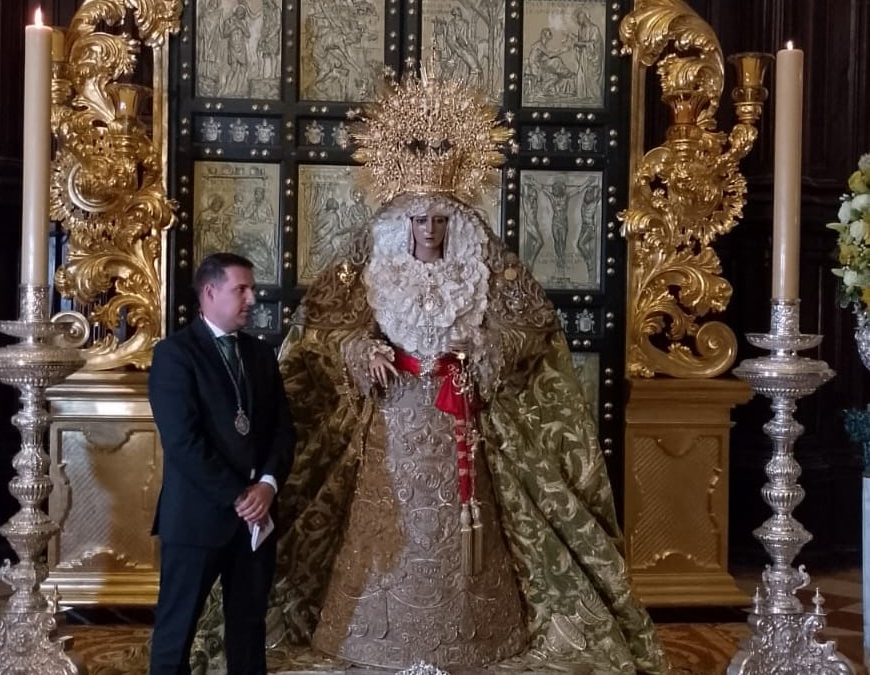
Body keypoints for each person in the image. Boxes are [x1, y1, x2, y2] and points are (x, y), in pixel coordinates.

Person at [186, 67, 667, 675]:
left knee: (466, 519)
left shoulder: (484, 265)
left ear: (454, 223)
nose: (430, 231)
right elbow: (325, 329)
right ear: (402, 224)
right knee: (387, 518)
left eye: (440, 220)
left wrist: (487, 348)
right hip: (390, 420)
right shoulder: (369, 268)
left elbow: (534, 324)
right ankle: (373, 635)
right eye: (420, 220)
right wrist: (363, 350)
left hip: (457, 414)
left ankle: (474, 632)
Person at [147, 252, 295, 675]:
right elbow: (183, 443)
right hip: (197, 519)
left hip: (255, 521)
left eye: (253, 289)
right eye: (241, 289)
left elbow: (283, 432)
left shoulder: (261, 355)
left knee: (248, 634)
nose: (252, 298)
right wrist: (238, 495)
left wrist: (266, 485)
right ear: (210, 293)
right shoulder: (175, 355)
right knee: (176, 634)